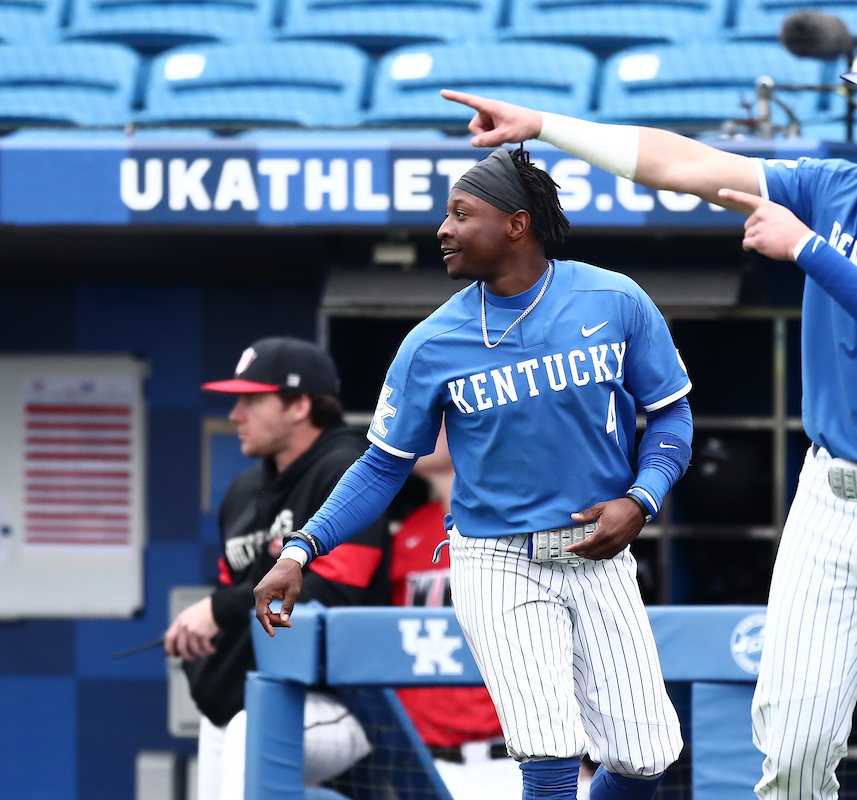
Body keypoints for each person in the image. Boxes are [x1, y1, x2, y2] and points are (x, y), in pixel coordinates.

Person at [439, 31, 857, 800]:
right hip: (830, 500)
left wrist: (809, 250)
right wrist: (546, 127)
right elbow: (684, 164)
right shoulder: (835, 188)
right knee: (790, 751)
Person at [253, 147, 694, 800]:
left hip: (597, 548)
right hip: (496, 554)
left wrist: (643, 497)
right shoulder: (432, 342)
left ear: (517, 225)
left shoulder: (614, 297)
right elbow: (381, 468)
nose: (443, 229)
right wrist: (302, 547)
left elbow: (671, 417)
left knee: (645, 755)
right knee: (547, 744)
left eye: (462, 214)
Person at [166, 336, 389, 800]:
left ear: (299, 405)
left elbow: (334, 593)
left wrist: (222, 609)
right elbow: (230, 591)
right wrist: (211, 628)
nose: (235, 415)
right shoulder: (244, 492)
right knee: (224, 723)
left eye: (251, 399)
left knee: (252, 726)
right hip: (256, 696)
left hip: (341, 702)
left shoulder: (346, 473)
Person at [390, 425, 523, 799]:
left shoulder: (517, 520)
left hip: (511, 758)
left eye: (437, 419)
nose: (418, 429)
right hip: (425, 762)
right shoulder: (410, 532)